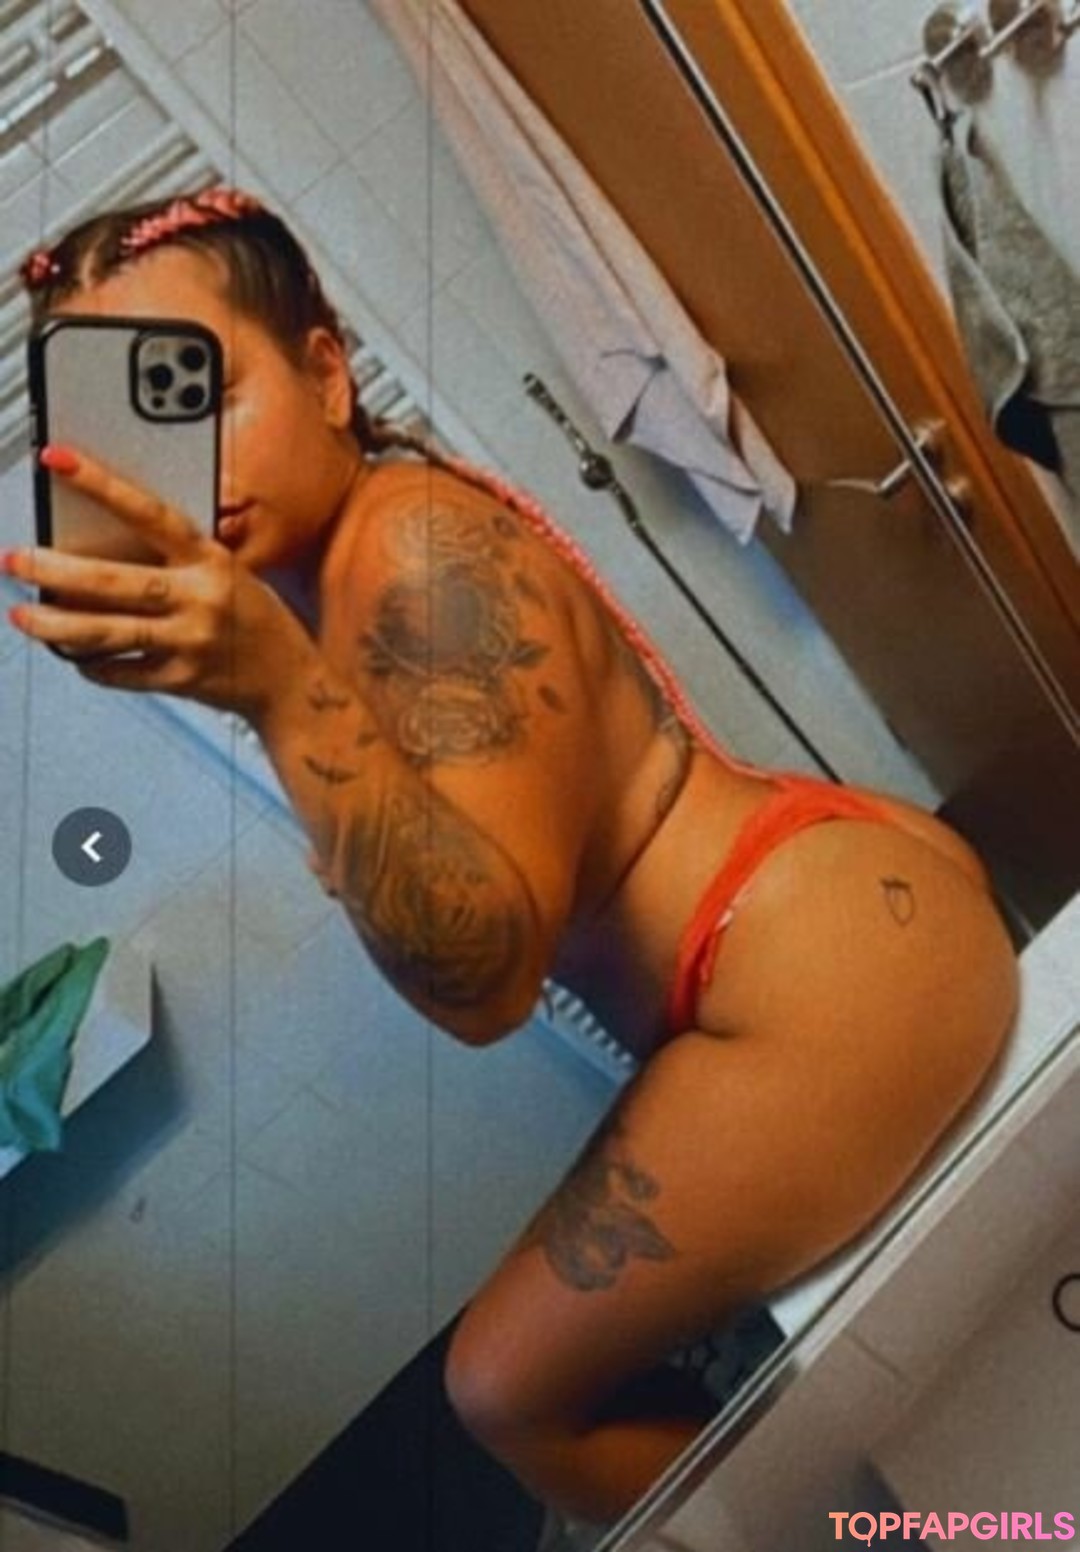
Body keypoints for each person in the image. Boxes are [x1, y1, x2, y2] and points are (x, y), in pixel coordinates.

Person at [7, 190, 1018, 1524]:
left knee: (503, 1391)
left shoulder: (412, 556)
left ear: (325, 372)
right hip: (808, 928)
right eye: (146, 425)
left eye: (211, 391)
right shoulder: (330, 578)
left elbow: (484, 983)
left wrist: (276, 692)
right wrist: (263, 676)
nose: (191, 462)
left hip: (815, 974)